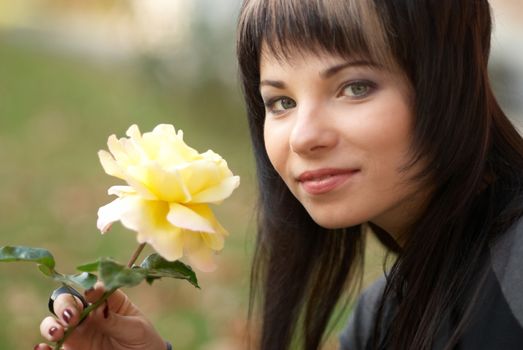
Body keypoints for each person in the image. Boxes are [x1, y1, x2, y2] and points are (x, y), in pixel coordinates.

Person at [35, 0, 523, 349]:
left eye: (354, 87)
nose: (303, 137)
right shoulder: (385, 315)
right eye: (281, 102)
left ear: (450, 81)